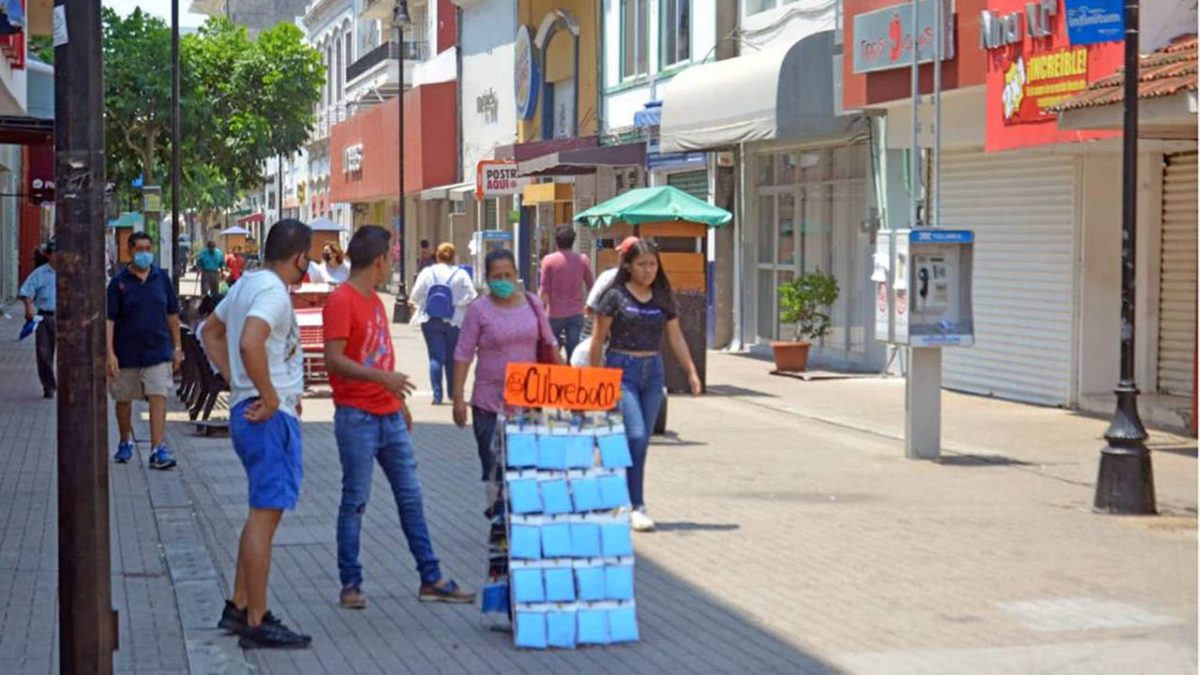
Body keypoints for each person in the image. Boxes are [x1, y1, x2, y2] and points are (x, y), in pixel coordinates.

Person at [323, 225, 475, 610]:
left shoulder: (376, 301)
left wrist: (399, 402)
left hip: (388, 414)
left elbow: (381, 355)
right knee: (355, 500)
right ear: (378, 261)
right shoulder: (341, 301)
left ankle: (431, 577)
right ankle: (351, 583)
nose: (392, 264)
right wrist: (382, 380)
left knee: (411, 498)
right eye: (389, 257)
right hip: (356, 415)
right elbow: (334, 359)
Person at [202, 219, 313, 650]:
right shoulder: (272, 292)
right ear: (300, 257)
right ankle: (257, 619)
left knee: (258, 515)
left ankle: (239, 604)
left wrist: (237, 382)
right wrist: (266, 393)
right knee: (264, 518)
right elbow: (251, 341)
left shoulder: (247, 284)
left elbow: (210, 331)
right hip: (269, 417)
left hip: (251, 412)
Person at [589, 240, 702, 532]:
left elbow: (675, 336)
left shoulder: (662, 297)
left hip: (653, 372)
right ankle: (634, 504)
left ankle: (622, 497)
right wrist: (594, 377)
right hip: (621, 370)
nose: (648, 270)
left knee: (641, 440)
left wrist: (691, 371)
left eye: (652, 264)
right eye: (642, 264)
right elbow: (598, 340)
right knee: (636, 435)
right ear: (628, 266)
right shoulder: (614, 297)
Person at [452, 248, 558, 483]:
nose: (503, 281)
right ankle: (499, 506)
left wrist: (564, 391)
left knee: (524, 472)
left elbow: (550, 344)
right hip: (489, 406)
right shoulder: (479, 310)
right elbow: (463, 354)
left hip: (527, 404)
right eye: (497, 276)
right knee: (495, 473)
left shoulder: (533, 304)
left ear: (516, 275)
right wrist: (458, 398)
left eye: (508, 275)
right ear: (487, 279)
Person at [107, 232, 183, 471]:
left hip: (158, 351)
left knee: (159, 395)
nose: (144, 253)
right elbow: (109, 320)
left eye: (148, 248)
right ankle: (124, 440)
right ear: (130, 251)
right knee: (123, 399)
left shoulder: (162, 279)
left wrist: (177, 347)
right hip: (126, 352)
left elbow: (172, 315)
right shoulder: (118, 283)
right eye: (139, 248)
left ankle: (157, 448)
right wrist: (109, 352)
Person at [410, 243, 476, 405]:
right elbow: (472, 295)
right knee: (452, 358)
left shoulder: (427, 272)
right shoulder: (460, 274)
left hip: (430, 319)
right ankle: (453, 393)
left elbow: (415, 296)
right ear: (453, 257)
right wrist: (458, 304)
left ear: (437, 256)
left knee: (435, 357)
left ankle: (437, 395)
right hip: (455, 320)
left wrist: (419, 307)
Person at [569, 236, 640, 367]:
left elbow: (589, 307)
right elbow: (590, 308)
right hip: (604, 342)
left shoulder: (609, 276)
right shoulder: (612, 277)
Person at [539, 225, 594, 359]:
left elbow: (544, 290)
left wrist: (541, 312)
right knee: (573, 350)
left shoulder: (548, 261)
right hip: (576, 311)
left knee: (552, 350)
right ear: (573, 241)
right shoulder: (583, 260)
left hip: (554, 313)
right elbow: (591, 285)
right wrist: (590, 306)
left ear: (556, 241)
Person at [19, 239, 57, 398]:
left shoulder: (71, 271)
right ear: (48, 255)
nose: (58, 256)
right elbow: (25, 291)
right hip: (44, 316)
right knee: (44, 353)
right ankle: (49, 386)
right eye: (55, 253)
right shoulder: (40, 273)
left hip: (66, 319)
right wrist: (28, 308)